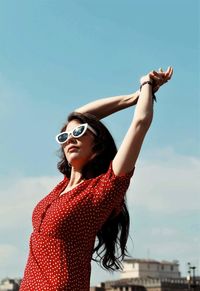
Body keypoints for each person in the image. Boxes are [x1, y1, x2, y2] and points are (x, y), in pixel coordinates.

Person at [20, 67, 173, 291]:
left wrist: (146, 85)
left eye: (79, 133)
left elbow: (140, 122)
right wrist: (133, 97)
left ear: (97, 144)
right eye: (65, 136)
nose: (70, 138)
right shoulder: (61, 187)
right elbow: (78, 114)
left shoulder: (103, 189)